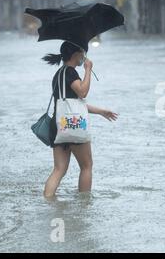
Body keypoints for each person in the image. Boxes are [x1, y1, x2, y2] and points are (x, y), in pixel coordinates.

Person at [42, 41, 118, 198]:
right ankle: (84, 206)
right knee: (86, 166)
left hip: (59, 126)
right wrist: (88, 70)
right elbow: (82, 92)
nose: (84, 56)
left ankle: (47, 200)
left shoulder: (59, 74)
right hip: (73, 126)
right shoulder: (71, 72)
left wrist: (101, 111)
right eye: (83, 53)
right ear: (76, 54)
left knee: (59, 169)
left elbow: (73, 106)